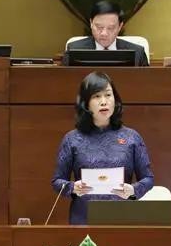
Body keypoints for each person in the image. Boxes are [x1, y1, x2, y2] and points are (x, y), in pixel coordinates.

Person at [51, 71, 154, 224]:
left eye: (108, 95)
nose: (104, 102)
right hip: (84, 219)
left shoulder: (131, 137)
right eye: (96, 96)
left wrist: (133, 190)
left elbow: (148, 178)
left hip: (123, 219)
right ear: (86, 103)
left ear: (115, 100)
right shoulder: (72, 139)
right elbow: (57, 181)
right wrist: (72, 187)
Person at [62, 0, 149, 66]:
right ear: (91, 23)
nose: (104, 33)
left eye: (110, 28)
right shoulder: (74, 50)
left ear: (120, 27)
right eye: (99, 27)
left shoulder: (138, 53)